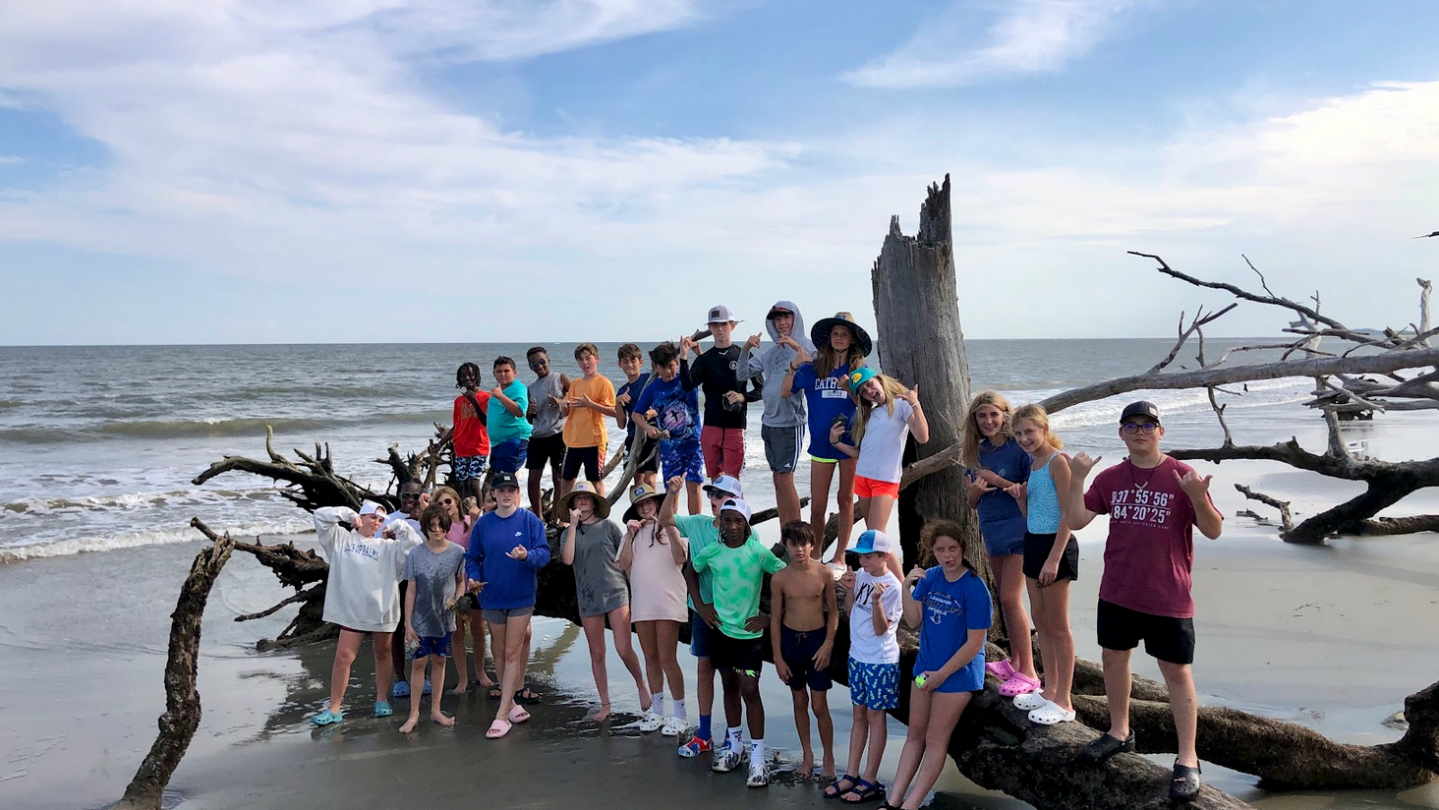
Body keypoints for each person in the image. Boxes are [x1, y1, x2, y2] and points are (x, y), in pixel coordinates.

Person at [1064, 401, 1223, 801]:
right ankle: (1120, 731)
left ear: (1160, 432)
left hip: (1168, 594)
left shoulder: (1182, 475)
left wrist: (1199, 499)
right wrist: (1076, 478)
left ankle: (1188, 757)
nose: (1140, 431)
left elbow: (1214, 530)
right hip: (1118, 589)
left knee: (1177, 673)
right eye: (1131, 425)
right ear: (1121, 434)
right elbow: (1076, 520)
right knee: (1114, 660)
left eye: (1148, 425)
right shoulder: (1112, 476)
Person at [886, 519, 992, 810]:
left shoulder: (974, 588)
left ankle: (912, 804)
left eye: (953, 548)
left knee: (934, 739)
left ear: (962, 548)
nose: (948, 555)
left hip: (957, 676)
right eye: (941, 549)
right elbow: (913, 620)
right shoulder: (931, 577)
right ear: (932, 551)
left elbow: (975, 644)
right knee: (914, 734)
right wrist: (907, 587)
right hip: (924, 671)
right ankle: (894, 801)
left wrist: (941, 675)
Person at [691, 496, 786, 788]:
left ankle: (758, 759)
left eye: (738, 521)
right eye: (727, 520)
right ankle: (734, 747)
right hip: (722, 634)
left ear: (746, 525)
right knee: (729, 687)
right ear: (720, 522)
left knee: (750, 689)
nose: (732, 526)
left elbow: (787, 578)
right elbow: (690, 571)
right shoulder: (712, 552)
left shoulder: (758, 553)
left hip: (750, 638)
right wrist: (701, 605)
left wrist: (769, 618)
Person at [661, 473, 756, 759]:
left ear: (737, 501)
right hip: (703, 610)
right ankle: (704, 734)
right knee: (705, 668)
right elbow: (666, 519)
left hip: (735, 613)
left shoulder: (745, 531)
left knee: (734, 673)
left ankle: (733, 733)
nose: (715, 500)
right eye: (712, 494)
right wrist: (672, 492)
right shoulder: (698, 523)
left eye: (722, 495)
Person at [308, 501, 422, 726]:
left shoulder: (388, 547)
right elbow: (320, 516)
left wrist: (399, 526)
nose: (376, 523)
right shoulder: (340, 539)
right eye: (372, 517)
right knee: (343, 657)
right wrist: (347, 514)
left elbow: (415, 547)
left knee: (383, 653)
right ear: (361, 517)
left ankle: (381, 700)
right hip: (352, 610)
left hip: (382, 610)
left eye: (381, 520)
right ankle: (334, 708)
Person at [960, 391, 1038, 697]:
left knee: (1009, 598)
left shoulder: (1018, 449)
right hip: (992, 531)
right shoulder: (976, 453)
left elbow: (1030, 491)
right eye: (982, 416)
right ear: (975, 421)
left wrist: (998, 480)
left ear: (1005, 415)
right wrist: (976, 492)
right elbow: (971, 502)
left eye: (994, 414)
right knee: (1003, 596)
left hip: (1019, 529)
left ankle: (1028, 671)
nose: (988, 421)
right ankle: (1015, 661)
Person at [466, 471, 553, 739]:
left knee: (513, 651)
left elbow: (544, 554)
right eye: (500, 490)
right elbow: (472, 558)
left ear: (518, 493)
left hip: (521, 597)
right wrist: (474, 579)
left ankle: (501, 714)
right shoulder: (483, 524)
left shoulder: (529, 520)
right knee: (501, 652)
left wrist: (527, 555)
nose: (505, 494)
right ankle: (512, 703)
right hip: (491, 596)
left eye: (510, 490)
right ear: (492, 494)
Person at [782, 311, 870, 570]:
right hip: (821, 445)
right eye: (835, 334)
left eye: (844, 334)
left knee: (845, 500)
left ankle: (840, 557)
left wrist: (850, 392)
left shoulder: (860, 371)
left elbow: (869, 406)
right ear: (828, 338)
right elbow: (786, 391)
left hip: (849, 445)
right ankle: (816, 555)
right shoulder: (813, 368)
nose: (840, 338)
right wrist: (793, 365)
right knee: (817, 506)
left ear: (852, 339)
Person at [558, 481, 651, 722]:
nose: (582, 502)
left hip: (616, 591)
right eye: (578, 499)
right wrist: (572, 526)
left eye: (586, 498)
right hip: (588, 597)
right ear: (572, 504)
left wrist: (637, 589)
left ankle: (641, 684)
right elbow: (567, 560)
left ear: (594, 502)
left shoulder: (608, 526)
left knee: (623, 648)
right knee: (597, 652)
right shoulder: (568, 533)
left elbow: (624, 558)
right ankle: (606, 704)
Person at [1010, 404, 1079, 724]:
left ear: (1044, 429)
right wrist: (1021, 498)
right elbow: (1032, 516)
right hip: (1033, 542)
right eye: (1019, 433)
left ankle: (1064, 701)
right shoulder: (1033, 464)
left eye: (1030, 432)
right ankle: (1049, 690)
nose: (1025, 438)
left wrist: (1054, 558)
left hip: (1056, 546)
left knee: (1058, 626)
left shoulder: (1057, 462)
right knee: (1041, 620)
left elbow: (1069, 514)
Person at [831, 367, 927, 579]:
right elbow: (860, 451)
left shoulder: (901, 405)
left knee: (876, 536)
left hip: (885, 480)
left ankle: (902, 586)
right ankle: (887, 581)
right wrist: (836, 444)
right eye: (864, 391)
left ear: (879, 379)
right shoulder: (870, 413)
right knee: (873, 535)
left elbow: (922, 437)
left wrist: (915, 403)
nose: (869, 391)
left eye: (870, 384)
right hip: (863, 477)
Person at [829, 529, 902, 803]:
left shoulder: (892, 586)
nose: (863, 561)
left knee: (875, 716)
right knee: (858, 714)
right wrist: (850, 589)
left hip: (880, 659)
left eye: (869, 556)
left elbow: (882, 629)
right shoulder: (859, 576)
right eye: (861, 556)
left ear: (883, 556)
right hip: (857, 656)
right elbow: (850, 611)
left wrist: (875, 601)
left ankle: (870, 779)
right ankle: (851, 773)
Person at [616, 482, 690, 736]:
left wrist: (668, 527)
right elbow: (623, 564)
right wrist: (628, 535)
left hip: (668, 602)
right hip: (643, 603)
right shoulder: (634, 534)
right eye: (640, 504)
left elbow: (681, 558)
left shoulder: (672, 528)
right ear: (636, 509)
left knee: (668, 658)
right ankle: (657, 711)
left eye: (649, 501)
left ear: (657, 503)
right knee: (650, 658)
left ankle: (680, 714)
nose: (645, 506)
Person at [768, 521, 837, 782]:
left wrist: (828, 644)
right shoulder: (780, 579)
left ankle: (828, 756)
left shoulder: (824, 573)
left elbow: (833, 613)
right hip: (790, 642)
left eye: (804, 544)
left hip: (817, 640)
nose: (799, 549)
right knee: (799, 701)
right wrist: (777, 657)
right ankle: (808, 755)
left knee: (819, 705)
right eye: (793, 544)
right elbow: (775, 619)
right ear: (785, 546)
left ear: (812, 545)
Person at [738, 301, 812, 526]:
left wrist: (795, 346)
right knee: (777, 478)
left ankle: (797, 533)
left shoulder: (807, 345)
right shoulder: (770, 353)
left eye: (786, 318)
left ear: (795, 318)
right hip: (769, 422)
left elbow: (815, 364)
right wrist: (745, 349)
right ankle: (785, 531)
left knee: (785, 477)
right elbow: (742, 374)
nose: (782, 323)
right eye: (777, 319)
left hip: (791, 422)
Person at [399, 504, 467, 734]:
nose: (436, 530)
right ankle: (414, 714)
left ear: (447, 527)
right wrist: (408, 624)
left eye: (440, 526)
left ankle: (436, 711)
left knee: (440, 661)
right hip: (420, 619)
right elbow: (410, 590)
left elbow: (461, 582)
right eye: (432, 527)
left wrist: (457, 602)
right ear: (425, 528)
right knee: (419, 663)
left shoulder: (458, 552)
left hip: (445, 619)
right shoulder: (416, 554)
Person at [680, 305, 760, 480]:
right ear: (710, 328)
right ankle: (718, 509)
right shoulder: (705, 359)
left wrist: (742, 397)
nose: (720, 329)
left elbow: (762, 389)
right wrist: (683, 357)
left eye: (724, 324)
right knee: (716, 480)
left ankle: (735, 508)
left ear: (733, 326)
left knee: (733, 480)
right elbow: (687, 385)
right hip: (711, 426)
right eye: (715, 325)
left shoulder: (743, 355)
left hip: (736, 426)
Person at [432, 485, 495, 695]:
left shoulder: (470, 521)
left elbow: (482, 545)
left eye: (448, 501)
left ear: (457, 502)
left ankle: (480, 672)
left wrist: (476, 519)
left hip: (475, 583)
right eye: (440, 504)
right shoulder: (439, 528)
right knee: (457, 634)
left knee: (478, 629)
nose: (445, 506)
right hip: (452, 586)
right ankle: (462, 679)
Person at [634, 341, 704, 515]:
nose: (668, 371)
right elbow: (636, 414)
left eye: (671, 366)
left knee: (694, 487)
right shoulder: (653, 388)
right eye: (663, 367)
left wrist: (696, 352)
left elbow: (706, 370)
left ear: (677, 363)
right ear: (656, 367)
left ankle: (695, 527)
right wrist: (647, 428)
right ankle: (671, 533)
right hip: (670, 448)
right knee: (672, 491)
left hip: (693, 443)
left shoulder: (686, 380)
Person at [384, 481, 428, 699]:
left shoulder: (428, 518)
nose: (410, 500)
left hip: (423, 583)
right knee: (398, 629)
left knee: (422, 629)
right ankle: (400, 678)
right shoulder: (389, 520)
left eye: (415, 496)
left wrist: (423, 518)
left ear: (422, 496)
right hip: (396, 582)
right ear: (398, 495)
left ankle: (423, 675)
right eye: (405, 495)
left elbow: (438, 543)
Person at [559, 343, 617, 500]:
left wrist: (590, 404)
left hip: (595, 440)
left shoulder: (604, 383)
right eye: (581, 360)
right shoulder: (576, 383)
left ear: (596, 359)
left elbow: (614, 411)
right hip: (574, 441)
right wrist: (562, 405)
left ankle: (601, 516)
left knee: (595, 480)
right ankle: (564, 519)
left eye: (588, 358)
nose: (585, 363)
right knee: (566, 481)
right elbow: (566, 412)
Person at [525, 346, 570, 520]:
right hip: (538, 437)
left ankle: (555, 519)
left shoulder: (560, 378)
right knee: (532, 480)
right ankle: (538, 518)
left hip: (558, 434)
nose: (539, 366)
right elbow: (530, 419)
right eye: (534, 364)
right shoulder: (531, 387)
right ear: (530, 367)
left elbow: (575, 397)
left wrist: (560, 401)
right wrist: (530, 411)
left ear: (548, 360)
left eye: (542, 362)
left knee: (558, 478)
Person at [438, 362, 490, 506]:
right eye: (463, 376)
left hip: (479, 447)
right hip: (461, 448)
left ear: (477, 376)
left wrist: (474, 400)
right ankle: (465, 514)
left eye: (470, 374)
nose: (467, 378)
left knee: (474, 482)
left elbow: (486, 421)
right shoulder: (459, 401)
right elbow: (457, 426)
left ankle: (481, 512)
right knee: (463, 484)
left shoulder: (485, 397)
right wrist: (440, 444)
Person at [613, 343, 660, 489]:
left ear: (640, 362)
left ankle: (654, 512)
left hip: (651, 435)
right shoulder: (622, 390)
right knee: (636, 484)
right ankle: (638, 511)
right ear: (620, 364)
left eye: (633, 360)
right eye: (625, 361)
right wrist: (618, 402)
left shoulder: (650, 380)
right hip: (632, 438)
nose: (630, 365)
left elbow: (664, 405)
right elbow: (621, 424)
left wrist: (650, 413)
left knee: (650, 481)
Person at [487, 356, 531, 484]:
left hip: (514, 439)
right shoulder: (498, 389)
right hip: (497, 442)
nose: (503, 374)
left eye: (507, 371)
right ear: (494, 373)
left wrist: (500, 396)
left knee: (507, 481)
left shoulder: (518, 388)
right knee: (500, 480)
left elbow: (520, 411)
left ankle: (513, 504)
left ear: (515, 372)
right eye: (499, 371)